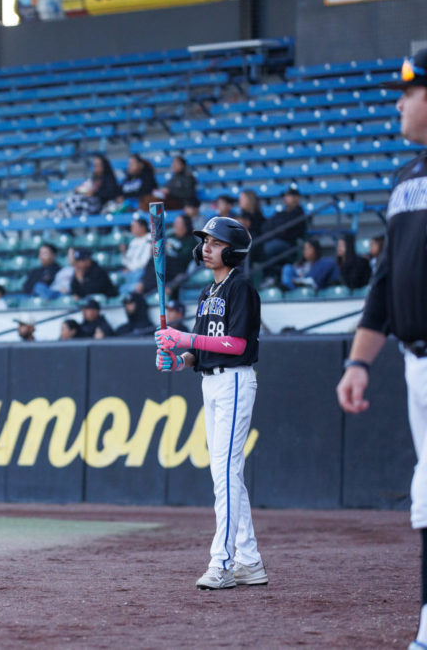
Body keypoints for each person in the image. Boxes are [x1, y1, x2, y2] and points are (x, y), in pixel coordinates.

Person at [335, 50, 427, 650]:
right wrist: (358, 360)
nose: (399, 101)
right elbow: (385, 283)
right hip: (416, 362)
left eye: (411, 91)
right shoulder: (404, 180)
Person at [153, 216, 265, 590]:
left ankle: (222, 562)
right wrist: (177, 361)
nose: (206, 247)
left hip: (235, 381)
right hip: (211, 382)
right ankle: (249, 561)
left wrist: (183, 338)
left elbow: (237, 345)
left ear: (232, 250)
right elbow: (199, 354)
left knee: (226, 474)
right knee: (225, 475)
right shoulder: (207, 295)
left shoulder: (241, 288)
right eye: (205, 241)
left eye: (215, 243)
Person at [261, 184, 307, 275]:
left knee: (268, 248)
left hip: (290, 243)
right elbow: (265, 226)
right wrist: (277, 230)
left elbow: (288, 230)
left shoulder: (299, 213)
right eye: (285, 196)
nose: (285, 198)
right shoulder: (281, 213)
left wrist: (277, 230)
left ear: (296, 198)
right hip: (275, 240)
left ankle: (270, 276)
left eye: (288, 195)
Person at [119, 218, 151, 296]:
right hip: (131, 271)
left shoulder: (150, 238)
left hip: (142, 271)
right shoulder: (133, 241)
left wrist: (130, 268)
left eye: (134, 227)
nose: (131, 229)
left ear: (143, 228)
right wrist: (123, 253)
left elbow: (145, 261)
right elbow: (127, 261)